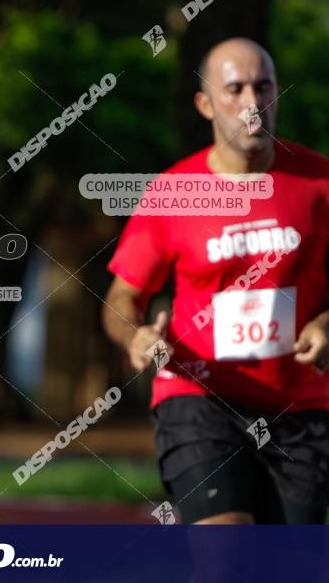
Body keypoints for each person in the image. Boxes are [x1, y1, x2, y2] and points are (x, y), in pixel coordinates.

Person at [104, 38, 329, 524]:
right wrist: (136, 334)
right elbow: (123, 295)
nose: (252, 103)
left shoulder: (320, 182)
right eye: (234, 89)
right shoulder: (172, 192)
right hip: (199, 398)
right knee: (225, 560)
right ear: (205, 103)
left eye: (263, 86)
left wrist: (326, 324)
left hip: (300, 405)